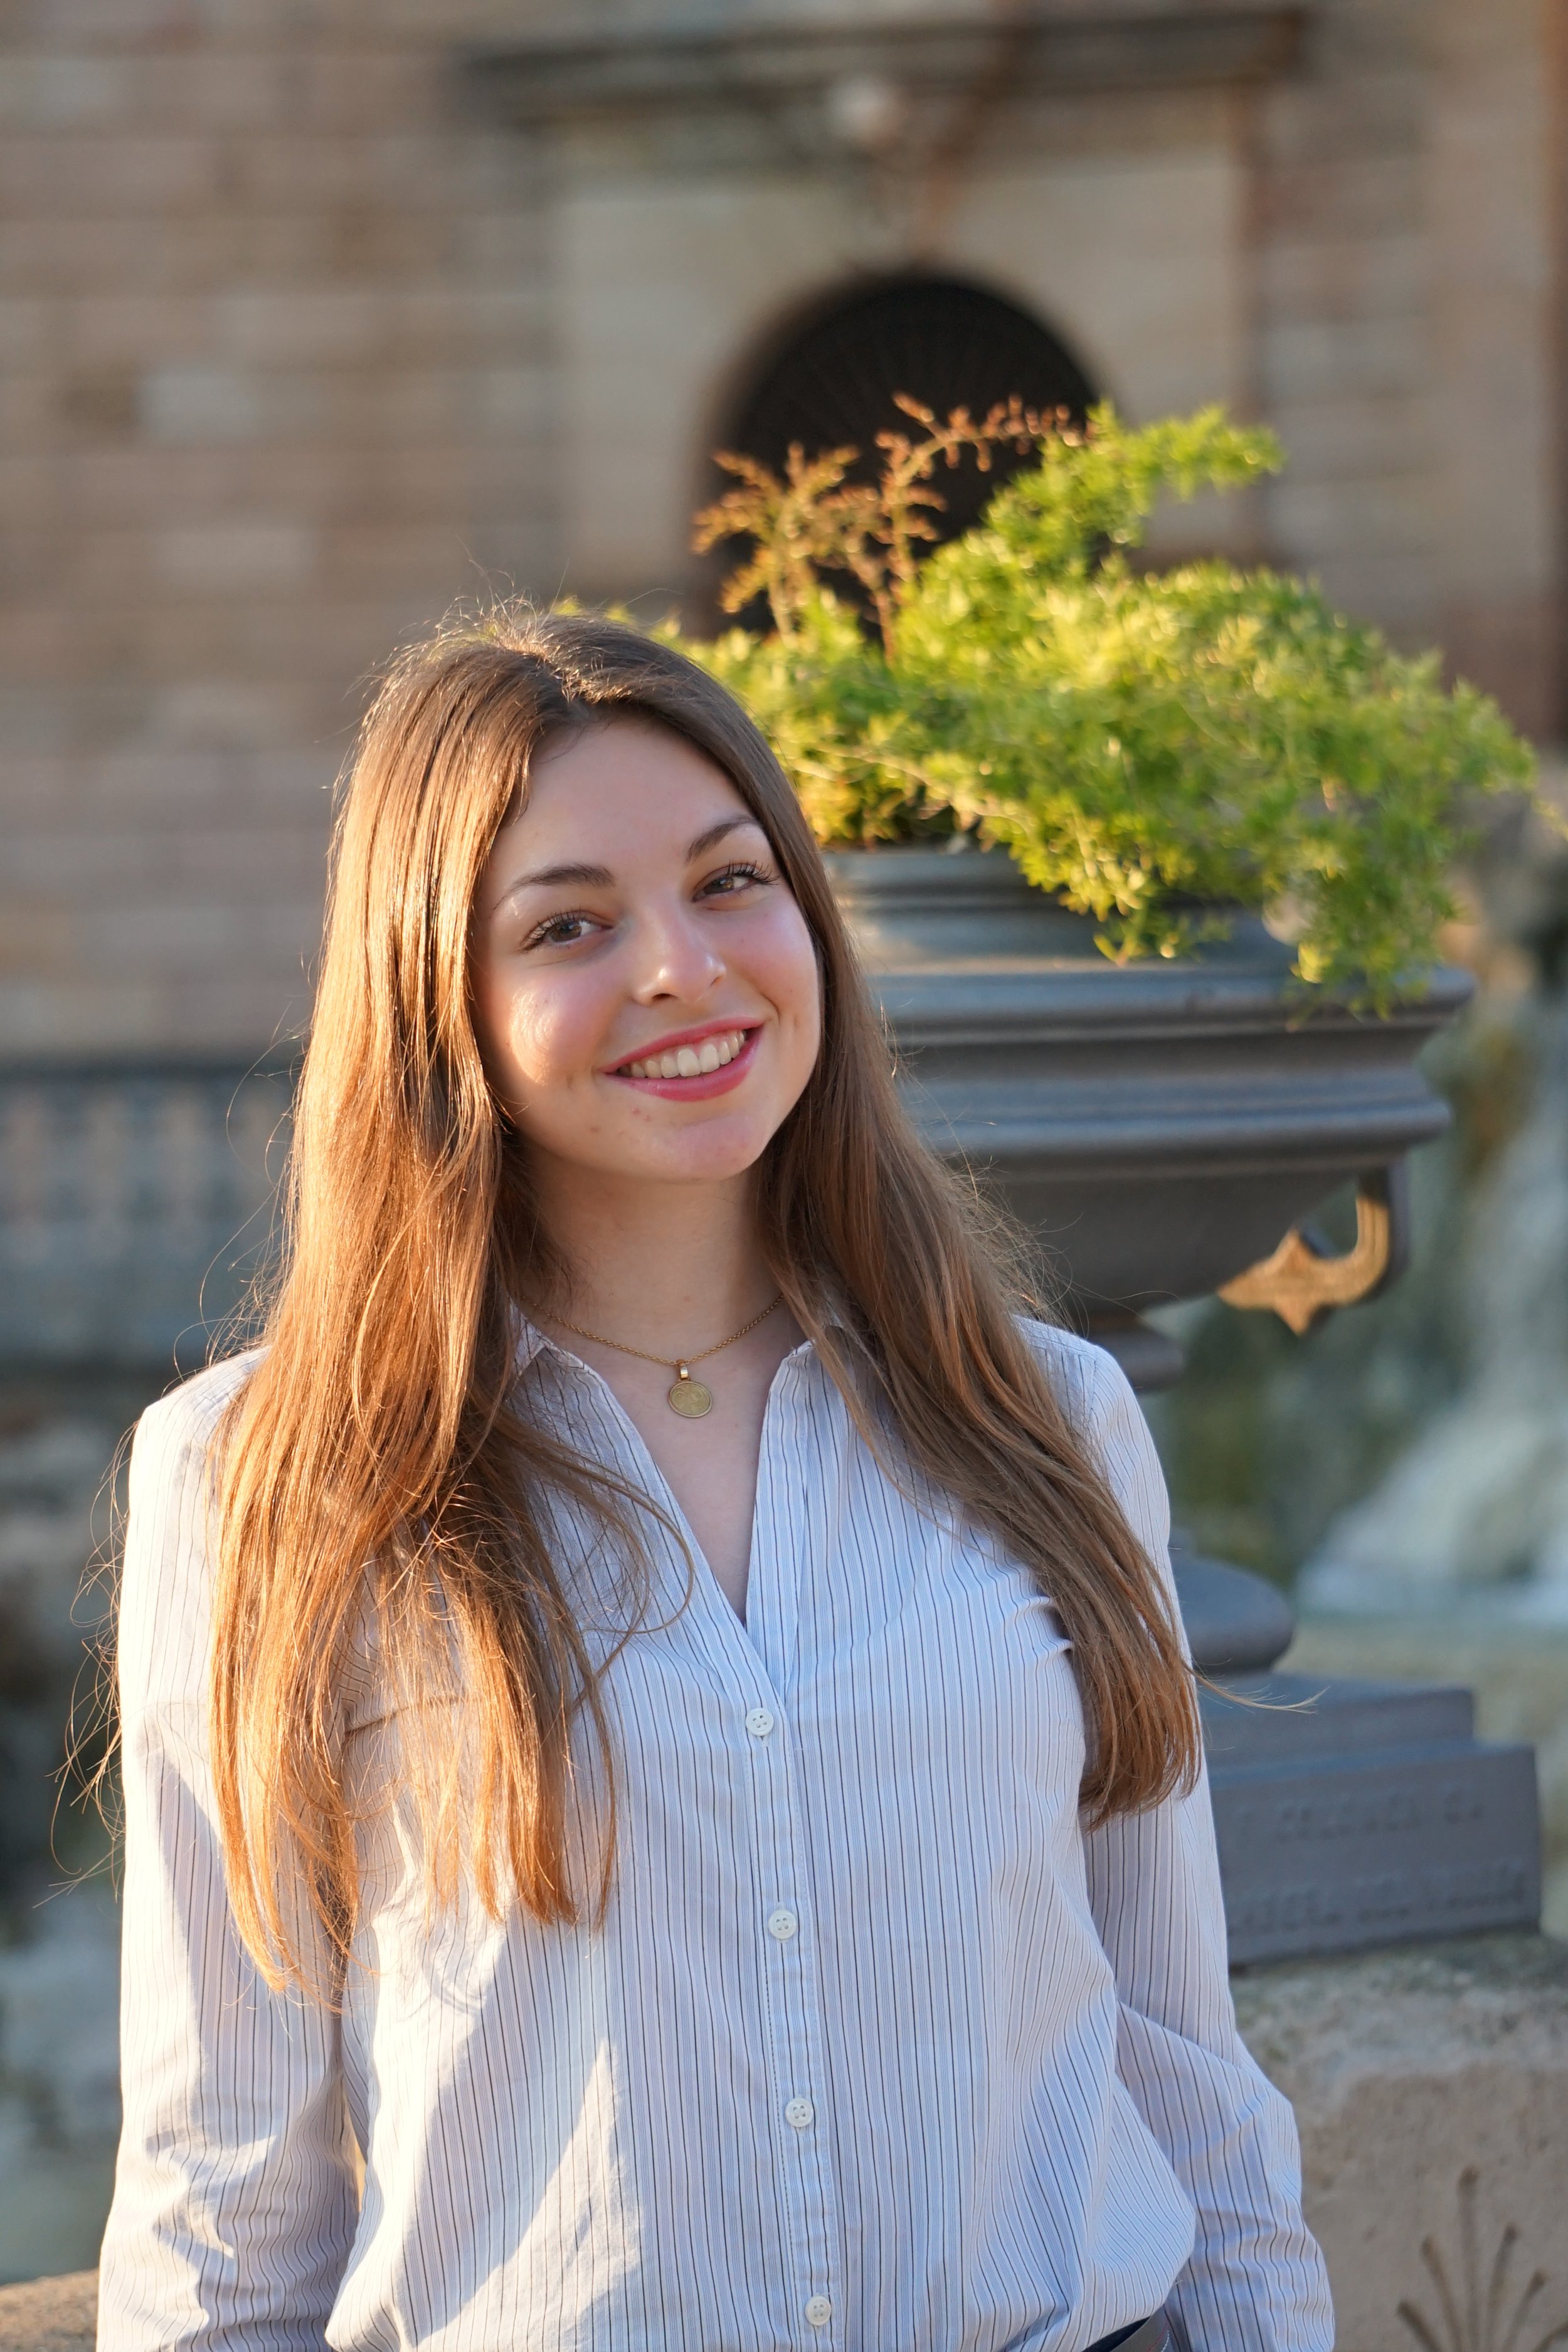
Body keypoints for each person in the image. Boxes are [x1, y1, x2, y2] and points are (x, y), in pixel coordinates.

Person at [98, 611, 1332, 2352]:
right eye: (568, 925)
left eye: (728, 882)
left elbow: (1180, 2061)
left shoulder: (1045, 1414)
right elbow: (224, 2191)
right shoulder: (262, 1481)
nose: (678, 967)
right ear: (430, 994)